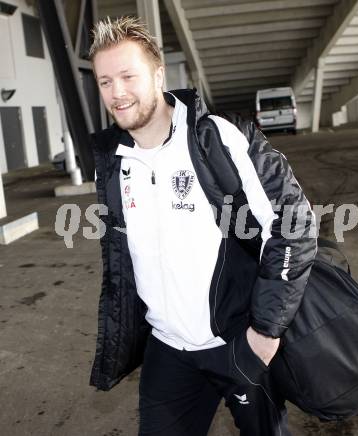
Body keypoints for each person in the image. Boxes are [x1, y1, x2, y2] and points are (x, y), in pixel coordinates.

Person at [89, 16, 316, 436]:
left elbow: (295, 224)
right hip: (168, 350)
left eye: (127, 76)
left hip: (238, 341)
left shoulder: (219, 137)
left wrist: (264, 332)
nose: (116, 93)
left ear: (158, 74)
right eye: (105, 81)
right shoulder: (113, 161)